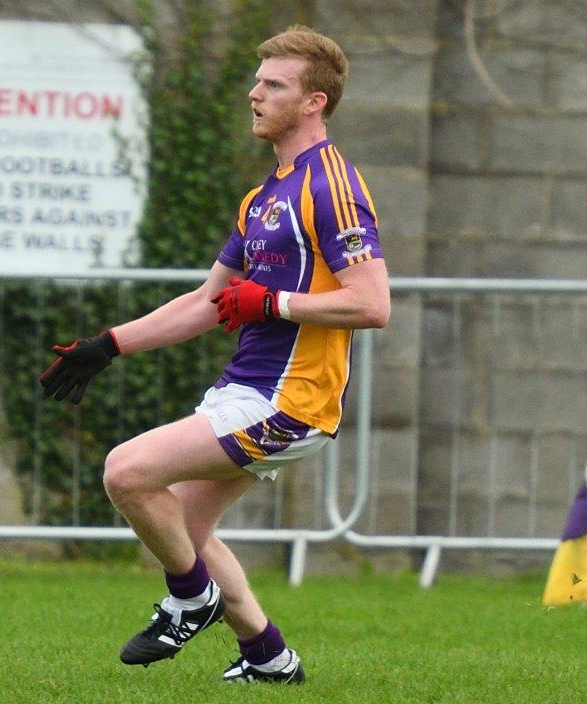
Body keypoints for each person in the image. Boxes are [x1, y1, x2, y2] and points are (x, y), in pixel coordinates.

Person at [40, 25, 388, 684]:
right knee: (187, 528)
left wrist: (273, 304)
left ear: (314, 102)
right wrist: (108, 344)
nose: (254, 94)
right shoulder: (264, 196)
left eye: (273, 84)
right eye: (257, 81)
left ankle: (190, 601)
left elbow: (372, 305)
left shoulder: (330, 186)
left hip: (291, 402)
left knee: (127, 471)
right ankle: (269, 658)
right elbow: (209, 302)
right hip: (246, 391)